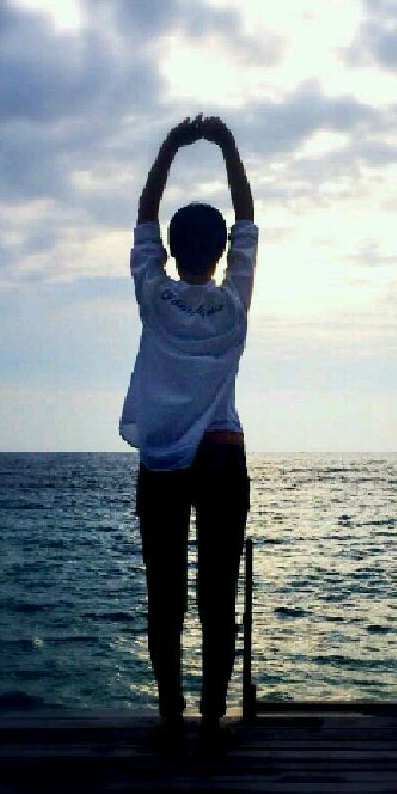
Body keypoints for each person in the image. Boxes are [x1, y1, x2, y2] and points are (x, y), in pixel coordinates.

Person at [119, 114, 258, 746]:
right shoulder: (233, 303)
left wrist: (171, 148)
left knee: (165, 590)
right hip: (223, 454)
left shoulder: (154, 296)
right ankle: (212, 713)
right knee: (218, 590)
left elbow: (144, 217)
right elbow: (248, 221)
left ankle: (170, 709)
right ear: (222, 253)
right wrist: (227, 146)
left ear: (172, 253)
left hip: (162, 462)